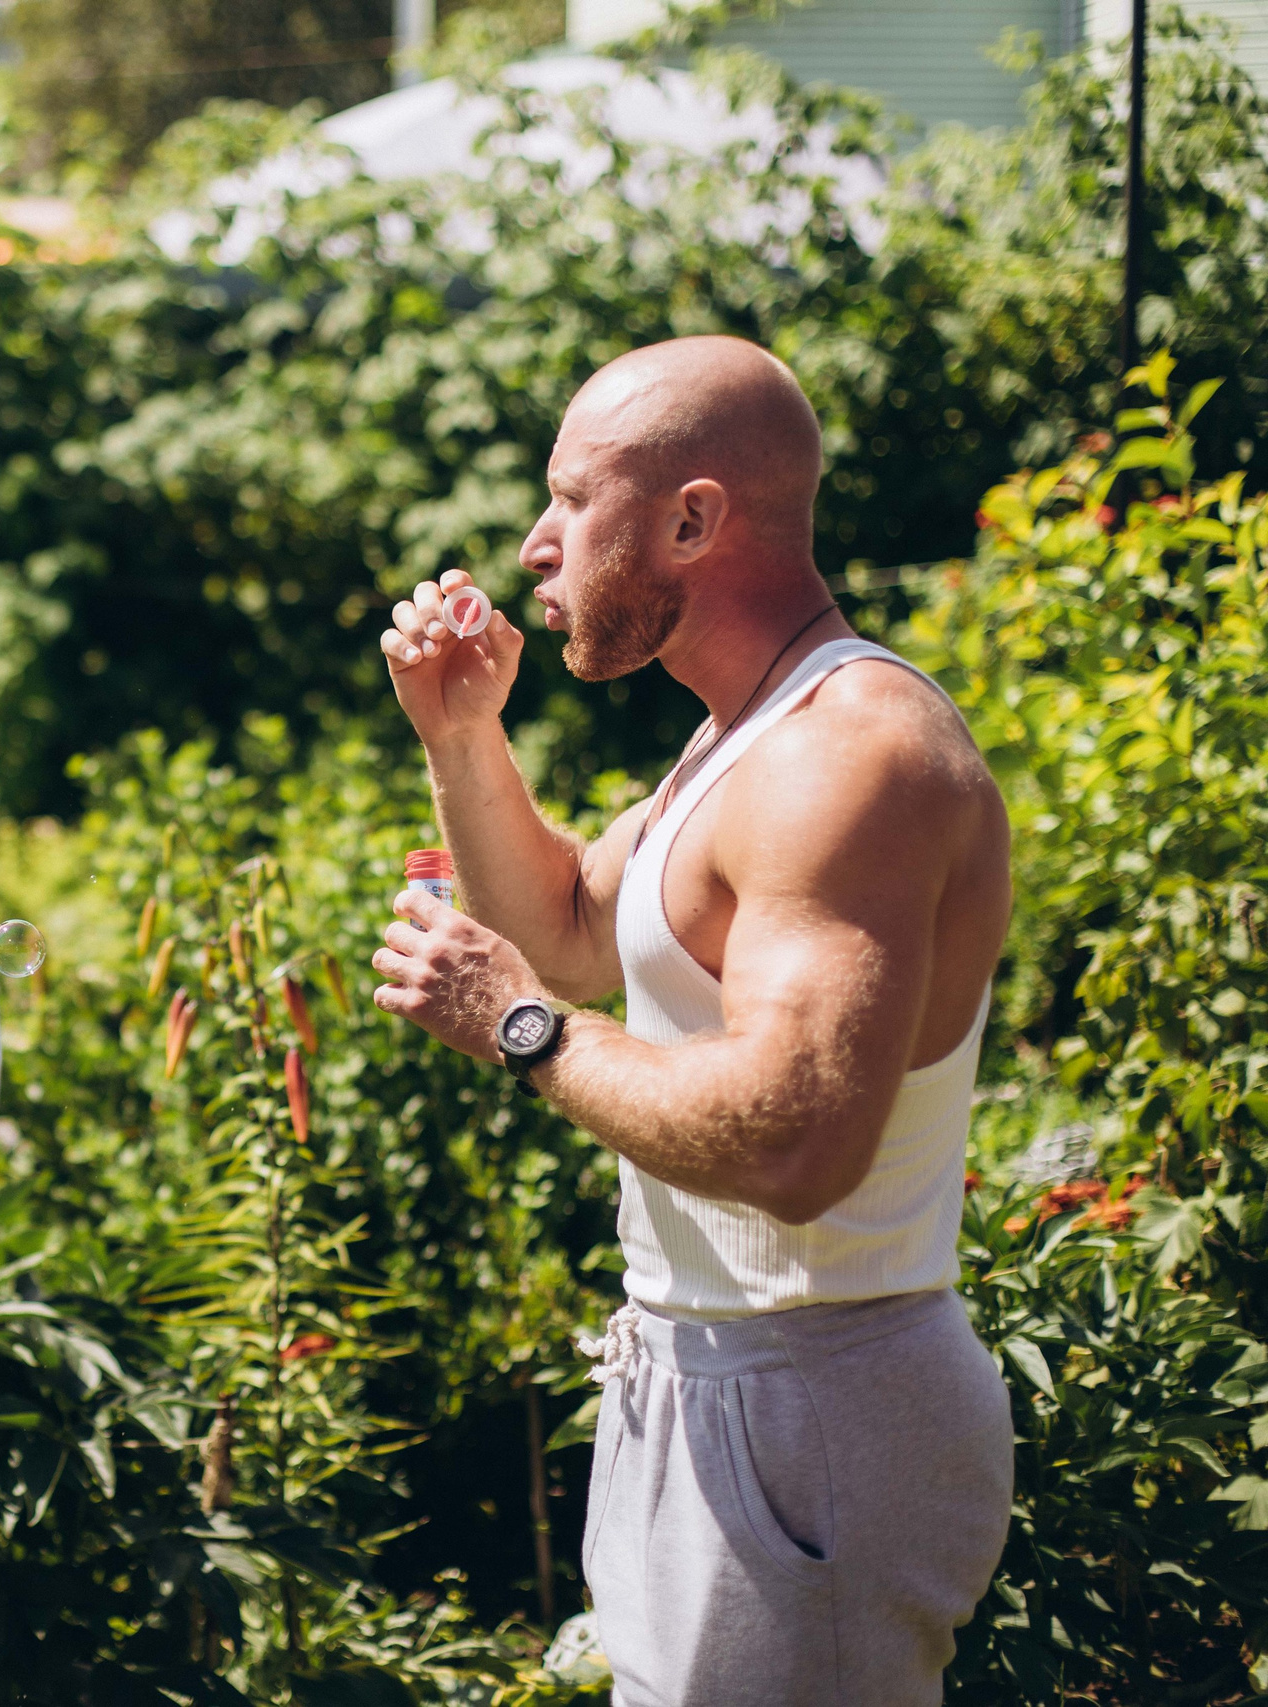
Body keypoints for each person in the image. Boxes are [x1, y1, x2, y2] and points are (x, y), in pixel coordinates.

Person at [372, 336, 1014, 1704]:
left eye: (571, 497)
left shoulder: (848, 753)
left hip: (811, 1395)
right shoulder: (743, 736)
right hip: (711, 1372)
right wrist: (461, 734)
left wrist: (520, 1028)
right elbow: (569, 930)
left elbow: (796, 1141)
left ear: (691, 520)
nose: (535, 545)